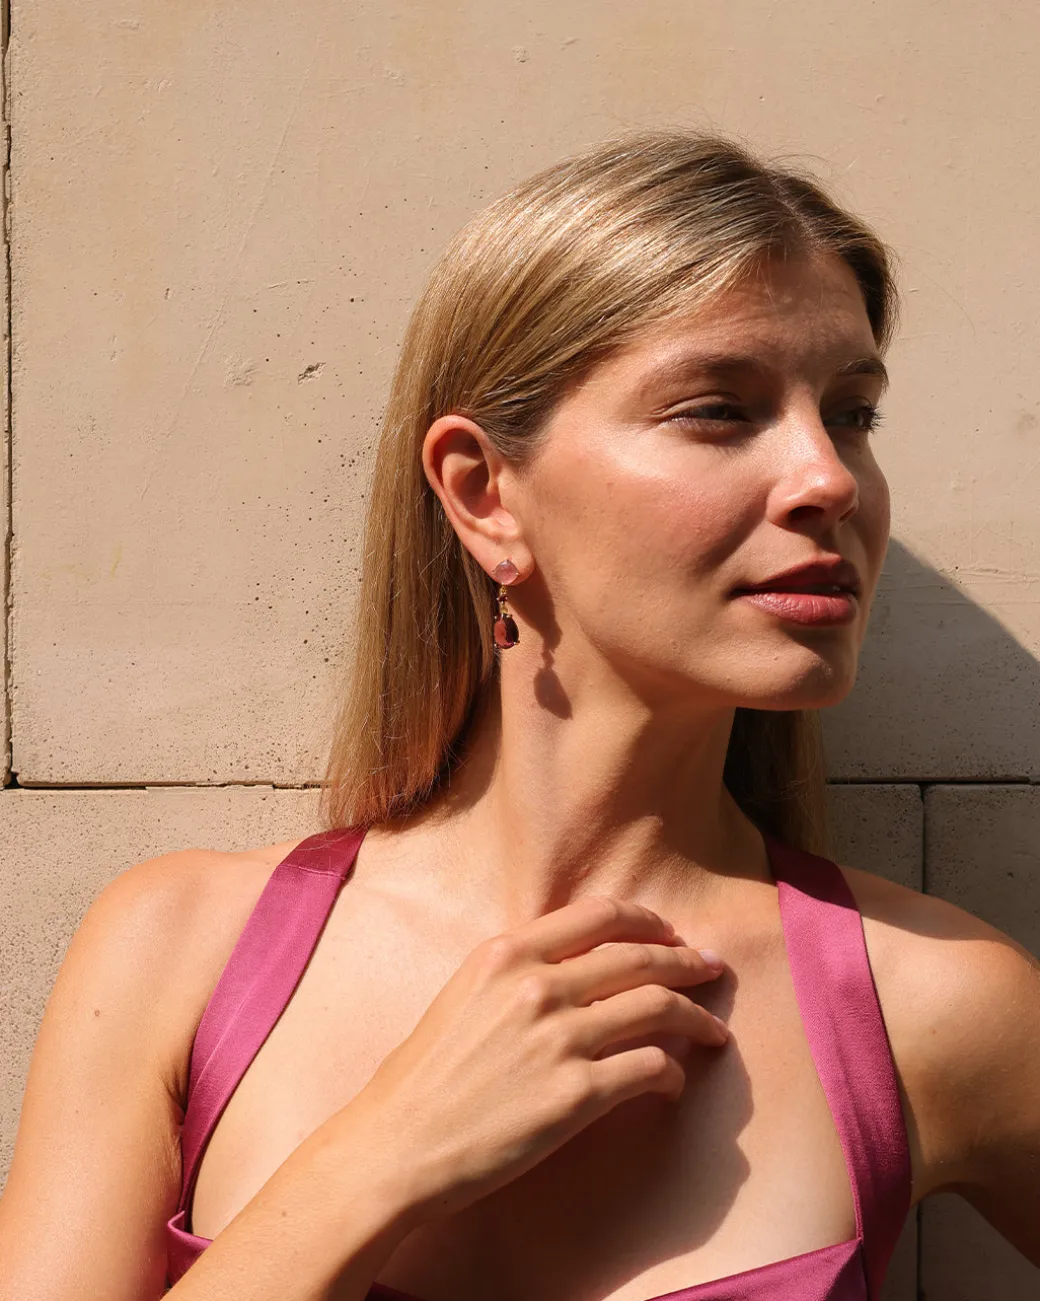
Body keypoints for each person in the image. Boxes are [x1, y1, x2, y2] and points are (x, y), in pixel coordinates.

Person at [1, 129, 1037, 1301]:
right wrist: (378, 1158)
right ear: (483, 491)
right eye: (717, 409)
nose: (829, 478)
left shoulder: (929, 999)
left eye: (851, 414)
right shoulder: (181, 949)